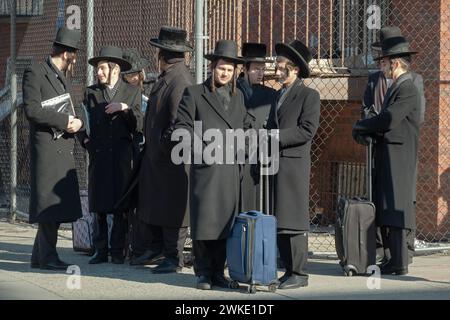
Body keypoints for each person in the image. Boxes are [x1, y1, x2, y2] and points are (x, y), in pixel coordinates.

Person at [173, 40, 250, 290]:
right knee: (205, 220)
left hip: (229, 169)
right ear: (212, 67)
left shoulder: (239, 97)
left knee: (225, 222)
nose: (225, 73)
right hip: (206, 169)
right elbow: (182, 127)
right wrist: (201, 151)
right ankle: (203, 273)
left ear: (235, 72)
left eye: (229, 70)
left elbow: (246, 127)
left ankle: (218, 272)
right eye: (221, 68)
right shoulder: (195, 93)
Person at [352, 35, 421, 276]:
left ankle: (400, 261)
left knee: (398, 205)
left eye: (384, 62)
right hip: (389, 152)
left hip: (400, 154)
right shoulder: (397, 86)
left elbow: (389, 119)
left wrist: (362, 126)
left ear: (395, 63)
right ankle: (392, 259)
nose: (381, 66)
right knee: (388, 205)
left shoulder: (408, 87)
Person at [130, 27, 194, 274]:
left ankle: (173, 256)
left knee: (172, 206)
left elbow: (181, 124)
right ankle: (157, 248)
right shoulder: (169, 76)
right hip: (159, 158)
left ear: (161, 54)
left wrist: (163, 144)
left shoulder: (180, 81)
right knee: (156, 202)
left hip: (172, 160)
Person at [23, 26, 84, 270]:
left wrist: (78, 122)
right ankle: (47, 257)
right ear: (67, 53)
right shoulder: (36, 72)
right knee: (49, 204)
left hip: (63, 147)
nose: (75, 59)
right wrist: (65, 121)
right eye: (74, 54)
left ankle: (39, 256)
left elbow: (71, 108)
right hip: (48, 148)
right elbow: (32, 109)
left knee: (56, 204)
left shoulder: (64, 78)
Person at [266, 40, 321, 289]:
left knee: (294, 218)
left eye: (281, 66)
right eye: (277, 65)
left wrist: (276, 138)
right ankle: (287, 269)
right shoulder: (278, 95)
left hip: (294, 164)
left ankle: (299, 272)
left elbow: (307, 130)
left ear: (295, 69)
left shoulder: (309, 95)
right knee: (280, 217)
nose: (277, 70)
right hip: (275, 162)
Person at [83, 46, 143, 265]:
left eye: (101, 68)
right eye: (97, 69)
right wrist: (85, 141)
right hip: (99, 156)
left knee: (120, 206)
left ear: (114, 69)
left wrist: (125, 108)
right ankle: (100, 250)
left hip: (121, 156)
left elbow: (139, 124)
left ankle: (117, 250)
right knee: (98, 205)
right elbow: (83, 119)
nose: (98, 73)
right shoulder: (91, 92)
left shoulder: (132, 92)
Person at [237, 42, 277, 212]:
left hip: (261, 158)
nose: (261, 73)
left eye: (263, 69)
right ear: (245, 68)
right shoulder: (232, 91)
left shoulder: (271, 95)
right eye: (256, 68)